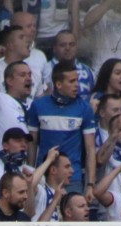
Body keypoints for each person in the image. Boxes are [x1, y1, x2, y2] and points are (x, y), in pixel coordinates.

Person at [27, 60, 96, 193]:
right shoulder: (38, 106)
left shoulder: (85, 109)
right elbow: (32, 143)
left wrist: (90, 185)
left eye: (77, 80)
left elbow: (90, 149)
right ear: (58, 84)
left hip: (72, 178)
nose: (77, 85)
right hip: (44, 176)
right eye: (71, 81)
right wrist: (31, 171)